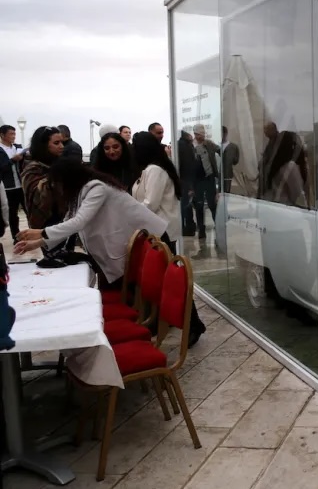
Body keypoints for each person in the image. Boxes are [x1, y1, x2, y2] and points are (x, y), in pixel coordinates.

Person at [14, 158, 167, 293]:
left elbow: (78, 222)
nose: (58, 189)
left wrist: (41, 232)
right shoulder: (80, 193)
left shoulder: (96, 188)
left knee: (155, 287)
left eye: (58, 183)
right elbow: (68, 223)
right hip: (128, 241)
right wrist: (36, 243)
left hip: (148, 238)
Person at [131, 131, 207, 344]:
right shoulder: (149, 169)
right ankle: (168, 319)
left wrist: (128, 214)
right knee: (165, 281)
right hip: (154, 231)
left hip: (160, 231)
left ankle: (194, 323)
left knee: (174, 280)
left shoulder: (155, 170)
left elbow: (150, 204)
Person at [21, 126, 64, 231]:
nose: (62, 146)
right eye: (56, 143)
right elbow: (38, 199)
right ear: (44, 145)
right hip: (45, 224)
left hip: (65, 221)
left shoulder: (59, 164)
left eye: (62, 142)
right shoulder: (32, 169)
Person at [191, 124, 219, 241]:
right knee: (199, 205)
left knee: (213, 204)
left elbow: (220, 150)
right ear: (195, 134)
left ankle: (218, 226)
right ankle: (201, 229)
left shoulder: (209, 144)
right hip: (197, 181)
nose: (201, 136)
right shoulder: (191, 146)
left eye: (203, 134)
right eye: (199, 134)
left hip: (209, 178)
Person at [0, 125, 26, 238]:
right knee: (12, 214)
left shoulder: (17, 147)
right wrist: (12, 160)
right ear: (2, 135)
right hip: (8, 187)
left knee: (30, 211)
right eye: (11, 134)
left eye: (14, 134)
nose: (13, 136)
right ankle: (16, 237)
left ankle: (35, 233)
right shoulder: (0, 150)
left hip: (22, 185)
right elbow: (2, 168)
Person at [177, 129, 197, 236]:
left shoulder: (180, 145)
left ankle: (186, 227)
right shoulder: (188, 146)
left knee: (184, 205)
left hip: (183, 179)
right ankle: (190, 227)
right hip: (188, 179)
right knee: (187, 205)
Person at [220, 126, 239, 194]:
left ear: (225, 133)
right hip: (216, 176)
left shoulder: (233, 147)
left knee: (226, 194)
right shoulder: (214, 146)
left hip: (227, 175)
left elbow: (235, 161)